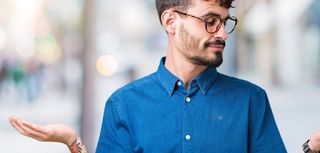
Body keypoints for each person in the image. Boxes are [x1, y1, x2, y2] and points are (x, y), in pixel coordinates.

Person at [7, 0, 320, 153]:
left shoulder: (251, 101)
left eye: (225, 21)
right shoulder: (123, 105)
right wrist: (72, 143)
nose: (222, 33)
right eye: (210, 21)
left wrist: (310, 150)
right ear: (171, 20)